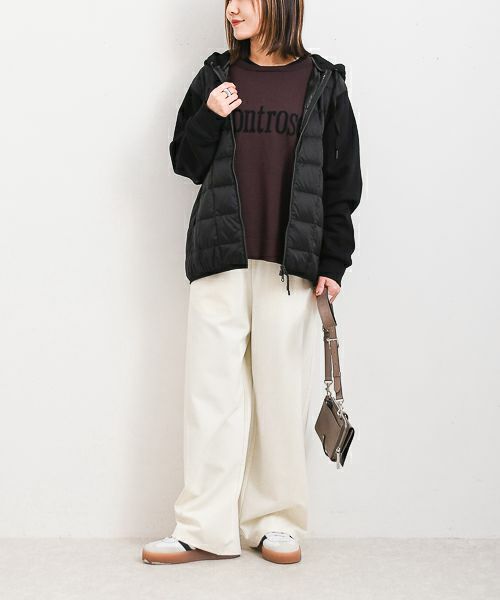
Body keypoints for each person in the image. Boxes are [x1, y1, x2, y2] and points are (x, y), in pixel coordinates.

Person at [142, 0, 362, 566]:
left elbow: (342, 181)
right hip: (221, 256)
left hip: (291, 265)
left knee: (281, 394)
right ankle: (201, 527)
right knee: (210, 395)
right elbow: (185, 162)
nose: (232, 8)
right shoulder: (217, 74)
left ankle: (275, 522)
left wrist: (333, 261)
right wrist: (210, 114)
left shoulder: (322, 83)